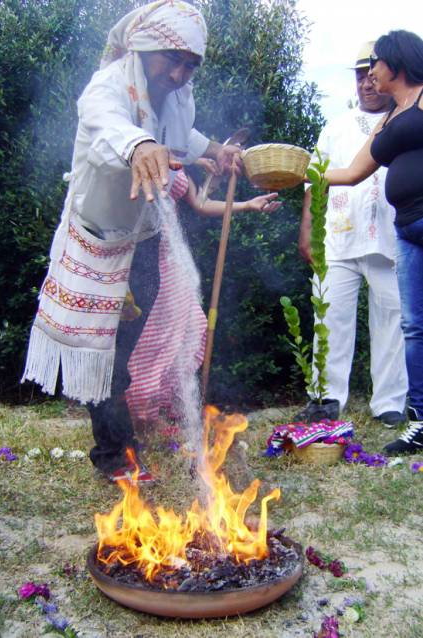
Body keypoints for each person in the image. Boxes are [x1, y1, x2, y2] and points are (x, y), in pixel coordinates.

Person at [21, 1, 244, 482]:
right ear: (144, 48)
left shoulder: (178, 94)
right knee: (106, 350)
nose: (181, 73)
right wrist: (139, 145)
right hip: (97, 239)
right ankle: (113, 455)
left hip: (142, 236)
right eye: (173, 59)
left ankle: (121, 441)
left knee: (127, 347)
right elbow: (104, 123)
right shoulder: (109, 83)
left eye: (191, 64)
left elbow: (182, 134)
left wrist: (213, 151)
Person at [296, 41, 408, 428]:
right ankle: (326, 397)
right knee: (330, 318)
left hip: (390, 239)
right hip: (339, 238)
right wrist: (307, 230)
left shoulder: (405, 121)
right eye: (359, 77)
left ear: (388, 76)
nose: (366, 83)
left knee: (393, 318)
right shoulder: (335, 128)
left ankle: (390, 401)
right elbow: (313, 182)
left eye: (371, 75)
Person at [321, 30, 423, 455]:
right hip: (407, 230)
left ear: (396, 64)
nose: (371, 73)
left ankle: (406, 410)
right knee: (414, 327)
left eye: (376, 63)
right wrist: (300, 174)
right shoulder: (390, 118)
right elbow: (349, 173)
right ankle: (420, 421)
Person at [125, 163, 280, 428]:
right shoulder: (138, 147)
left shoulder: (182, 151)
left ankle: (169, 406)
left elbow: (201, 203)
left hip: (171, 255)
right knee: (148, 338)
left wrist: (246, 205)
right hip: (138, 254)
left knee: (189, 327)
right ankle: (137, 410)